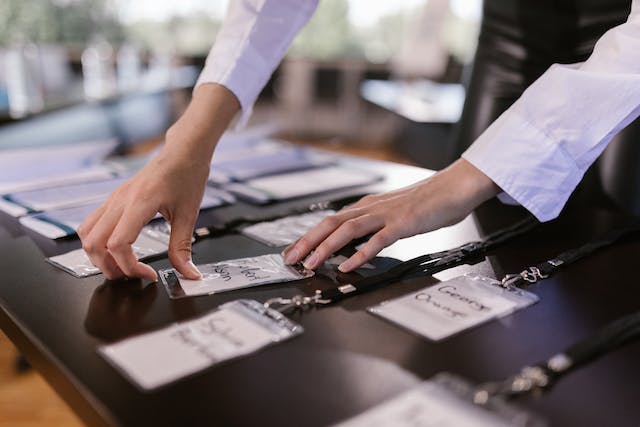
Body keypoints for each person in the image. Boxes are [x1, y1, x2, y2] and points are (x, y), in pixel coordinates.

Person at [78, 0, 640, 282]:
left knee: (614, 243)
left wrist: (450, 183)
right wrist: (185, 145)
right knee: (486, 251)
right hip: (514, 26)